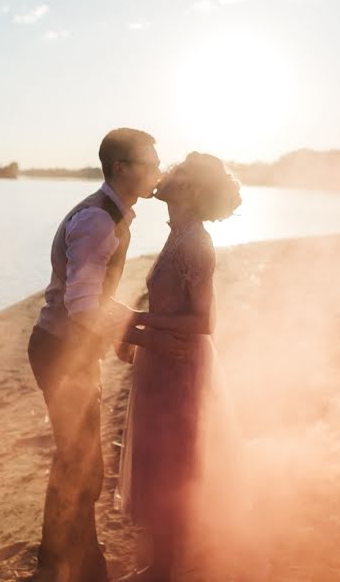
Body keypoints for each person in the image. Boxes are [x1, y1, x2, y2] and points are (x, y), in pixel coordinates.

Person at [27, 128, 186, 582]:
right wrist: (142, 335)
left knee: (78, 464)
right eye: (149, 164)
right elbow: (81, 306)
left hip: (69, 351)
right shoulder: (98, 221)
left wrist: (131, 326)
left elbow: (91, 299)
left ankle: (70, 563)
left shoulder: (111, 215)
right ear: (121, 168)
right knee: (81, 466)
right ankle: (66, 567)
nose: (156, 171)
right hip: (60, 352)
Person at [116, 152, 242, 581]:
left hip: (178, 369)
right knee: (158, 463)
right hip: (159, 361)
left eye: (179, 172)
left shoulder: (195, 244)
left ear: (188, 190)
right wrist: (132, 328)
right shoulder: (179, 234)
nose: (166, 173)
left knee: (173, 465)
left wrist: (136, 321)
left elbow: (204, 321)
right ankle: (159, 566)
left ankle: (165, 572)